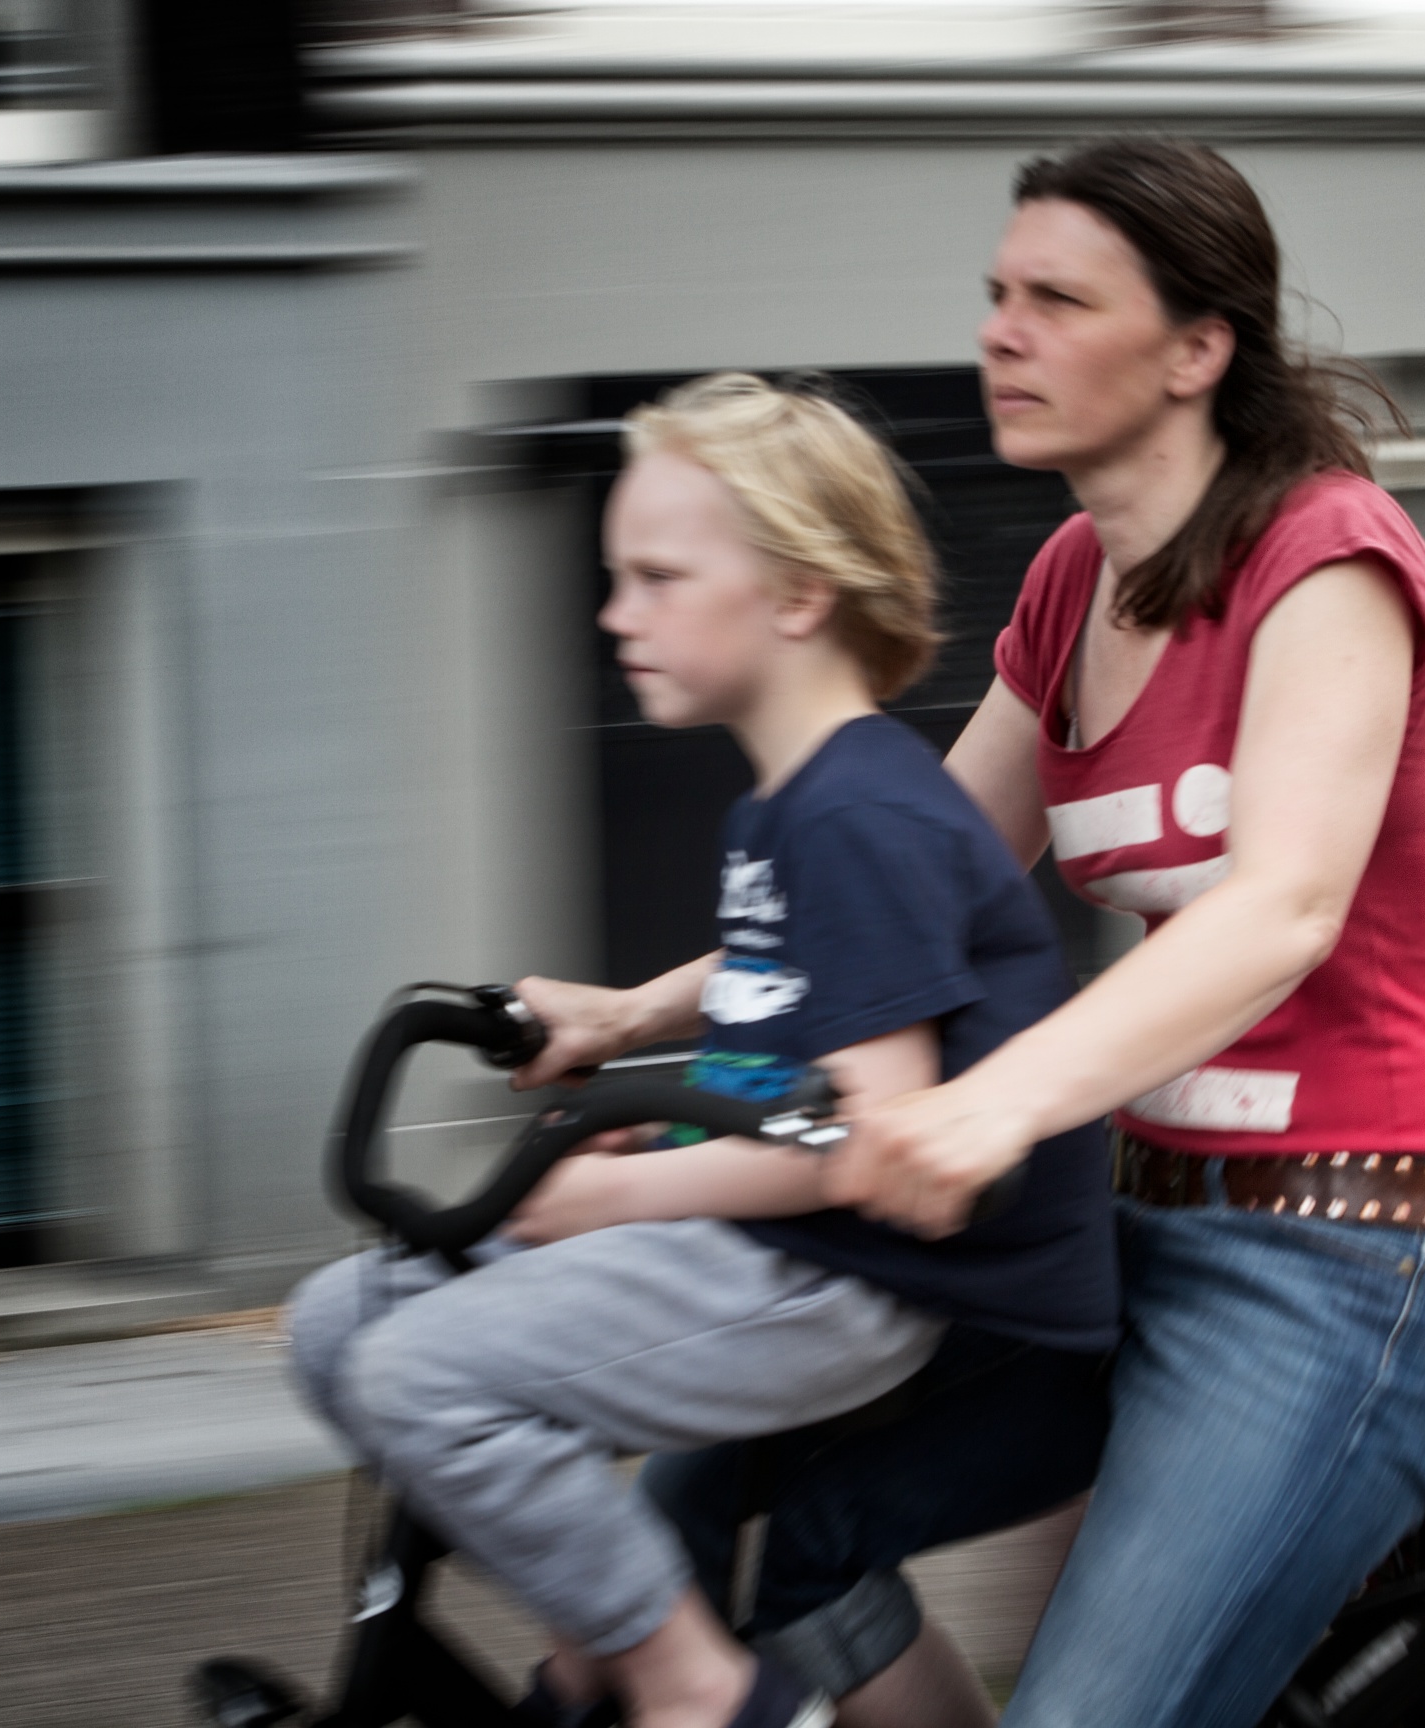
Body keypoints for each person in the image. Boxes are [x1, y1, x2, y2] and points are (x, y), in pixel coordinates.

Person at [667, 134, 1425, 1728]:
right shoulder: (1076, 579)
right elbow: (910, 891)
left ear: (1198, 350)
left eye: (1058, 301)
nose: (1000, 332)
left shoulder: (1328, 556)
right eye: (999, 294)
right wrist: (635, 1017)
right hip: (1131, 1238)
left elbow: (1281, 910)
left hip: (1356, 1266)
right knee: (750, 1517)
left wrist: (990, 1104)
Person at [286, 373, 1118, 1728]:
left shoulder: (859, 817)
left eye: (658, 578)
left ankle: (700, 1691)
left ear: (799, 595)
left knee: (420, 1372)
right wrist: (657, 1104)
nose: (617, 613)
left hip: (858, 1281)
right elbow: (781, 1051)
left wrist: (621, 1191)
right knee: (343, 1326)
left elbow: (859, 1130)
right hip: (784, 1245)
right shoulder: (783, 812)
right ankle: (598, 1650)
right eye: (619, 576)